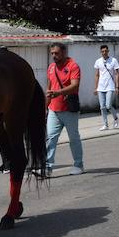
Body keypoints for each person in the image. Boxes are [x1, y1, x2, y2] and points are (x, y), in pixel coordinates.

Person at [45, 42, 83, 176]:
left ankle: (78, 165)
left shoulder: (73, 66)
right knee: (50, 138)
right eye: (52, 54)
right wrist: (46, 107)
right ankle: (47, 167)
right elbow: (49, 90)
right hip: (53, 110)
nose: (54, 56)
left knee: (73, 138)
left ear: (64, 52)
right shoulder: (51, 68)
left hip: (69, 110)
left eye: (56, 53)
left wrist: (58, 93)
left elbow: (75, 86)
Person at [94, 45, 119, 130]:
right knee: (102, 107)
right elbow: (97, 75)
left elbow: (116, 74)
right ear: (100, 52)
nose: (104, 53)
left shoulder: (113, 60)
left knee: (108, 105)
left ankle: (115, 118)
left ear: (108, 51)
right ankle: (105, 124)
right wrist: (96, 87)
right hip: (101, 87)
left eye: (106, 51)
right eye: (102, 51)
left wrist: (117, 86)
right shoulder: (98, 61)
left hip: (110, 86)